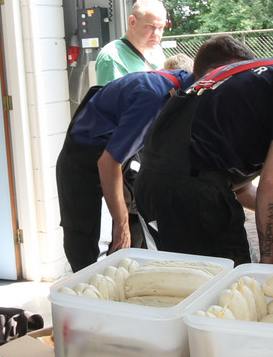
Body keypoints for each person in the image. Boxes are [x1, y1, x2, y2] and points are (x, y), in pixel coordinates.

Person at [134, 27, 273, 265]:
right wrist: (267, 264)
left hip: (151, 184)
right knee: (231, 281)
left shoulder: (243, 73)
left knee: (190, 276)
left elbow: (241, 189)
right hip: (193, 194)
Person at [56, 37, 253, 270]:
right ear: (212, 73)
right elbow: (108, 163)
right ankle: (83, 285)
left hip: (123, 154)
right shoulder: (154, 97)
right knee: (83, 233)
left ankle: (124, 276)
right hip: (83, 156)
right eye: (235, 78)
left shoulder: (188, 88)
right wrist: (120, 224)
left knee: (137, 220)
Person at [93, 0, 169, 84]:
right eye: (150, 26)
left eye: (160, 27)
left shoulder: (157, 51)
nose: (156, 33)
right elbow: (110, 92)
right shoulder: (111, 57)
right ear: (132, 22)